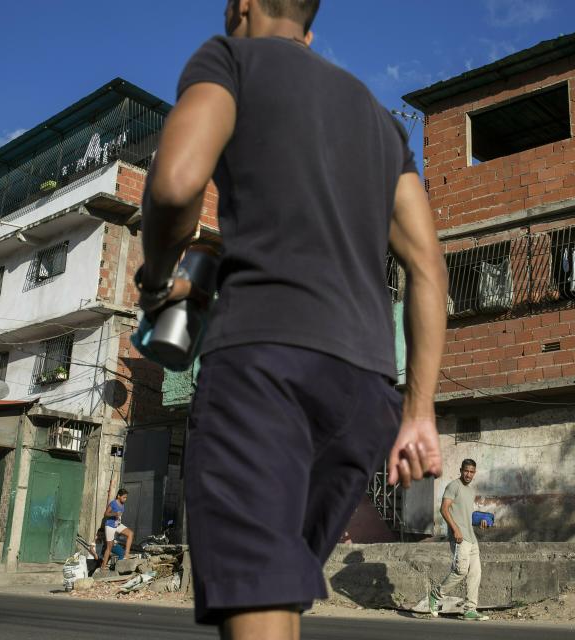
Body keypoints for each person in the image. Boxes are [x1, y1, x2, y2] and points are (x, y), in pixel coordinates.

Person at [137, 1, 447, 638]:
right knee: (275, 599)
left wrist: (156, 274)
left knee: (260, 603)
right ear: (310, 28)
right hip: (364, 393)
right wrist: (419, 412)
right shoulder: (380, 120)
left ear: (240, 5)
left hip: (264, 369)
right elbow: (428, 267)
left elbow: (174, 185)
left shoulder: (229, 59)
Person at [428, 460, 490, 621]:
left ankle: (470, 609)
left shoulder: (470, 491)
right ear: (461, 470)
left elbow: (466, 515)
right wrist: (455, 529)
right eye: (466, 471)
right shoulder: (453, 486)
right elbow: (444, 509)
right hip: (460, 537)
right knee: (460, 570)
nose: (468, 474)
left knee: (475, 573)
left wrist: (481, 521)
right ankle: (436, 594)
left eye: (472, 472)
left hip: (472, 537)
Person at [101, 489, 133, 570]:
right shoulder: (113, 503)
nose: (125, 499)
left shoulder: (122, 504)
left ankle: (126, 555)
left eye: (126, 498)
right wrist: (115, 514)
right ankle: (103, 566)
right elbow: (106, 514)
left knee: (130, 533)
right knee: (109, 547)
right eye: (124, 497)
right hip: (110, 526)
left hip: (117, 524)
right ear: (118, 496)